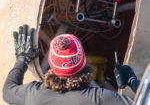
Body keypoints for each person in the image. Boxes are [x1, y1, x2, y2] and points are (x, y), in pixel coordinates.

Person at [3, 25, 139, 105]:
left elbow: (7, 91)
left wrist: (22, 59)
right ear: (83, 61)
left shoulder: (33, 94)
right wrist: (132, 80)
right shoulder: (101, 98)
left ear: (51, 63)